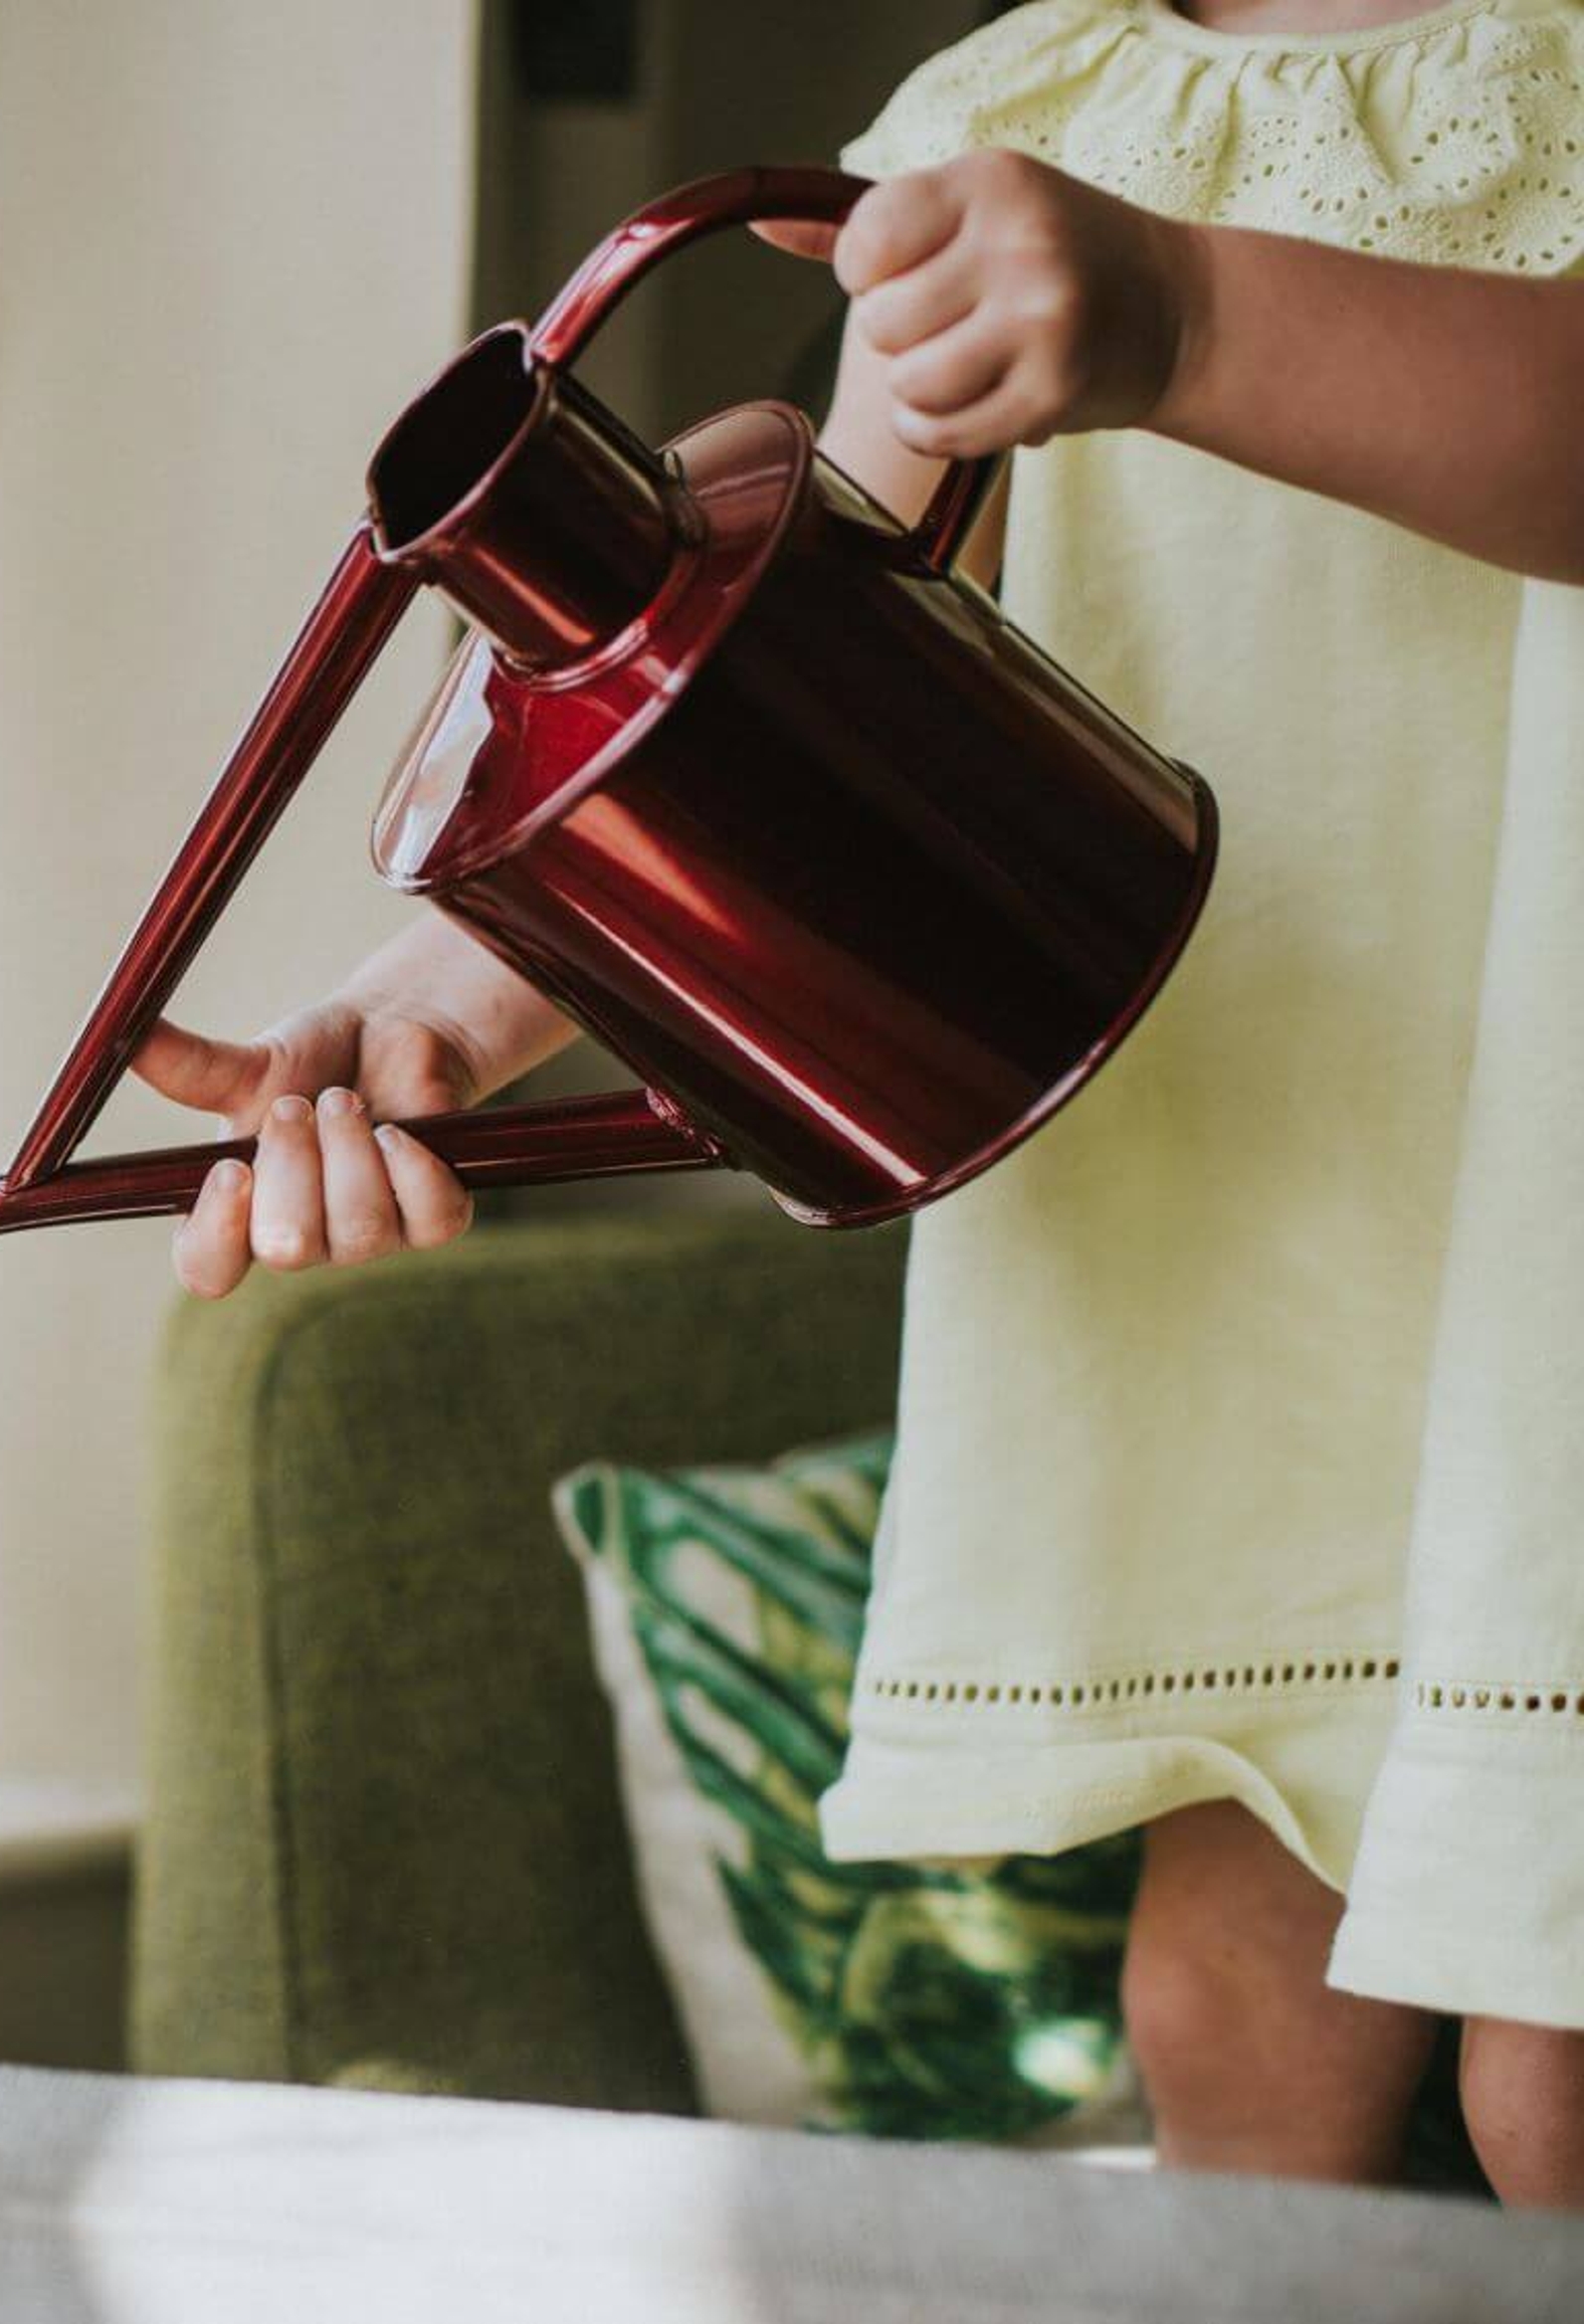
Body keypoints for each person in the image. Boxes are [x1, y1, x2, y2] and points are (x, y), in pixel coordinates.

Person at [138, 0, 1584, 2204]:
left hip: (1549, 1245)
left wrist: (1188, 308)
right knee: (1232, 2020)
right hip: (1263, 1282)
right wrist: (436, 1004)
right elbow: (785, 668)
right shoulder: (1006, 123)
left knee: (1548, 2078)